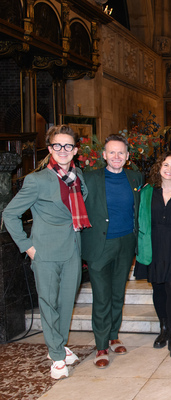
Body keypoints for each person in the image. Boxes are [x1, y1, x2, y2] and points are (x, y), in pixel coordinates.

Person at [3, 125, 90, 379]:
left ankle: (59, 344)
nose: (63, 150)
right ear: (50, 148)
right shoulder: (37, 180)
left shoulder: (78, 175)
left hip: (73, 249)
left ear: (75, 150)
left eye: (68, 146)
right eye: (57, 146)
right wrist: (27, 247)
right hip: (45, 252)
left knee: (65, 303)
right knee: (48, 303)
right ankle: (56, 354)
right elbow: (10, 214)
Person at [81, 134, 144, 368]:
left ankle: (114, 335)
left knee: (118, 292)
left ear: (127, 157)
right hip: (100, 245)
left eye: (121, 153)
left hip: (126, 243)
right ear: (104, 155)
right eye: (112, 152)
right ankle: (101, 345)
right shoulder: (89, 179)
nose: (116, 156)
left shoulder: (135, 177)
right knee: (101, 296)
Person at [134, 152, 171, 359]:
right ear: (159, 167)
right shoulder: (147, 191)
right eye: (165, 165)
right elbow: (140, 219)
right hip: (153, 244)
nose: (169, 169)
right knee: (158, 288)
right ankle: (163, 329)